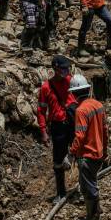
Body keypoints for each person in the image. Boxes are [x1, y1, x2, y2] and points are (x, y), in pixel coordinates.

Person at [65, 74, 107, 220]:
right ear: (87, 89)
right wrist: (106, 148)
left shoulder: (81, 111)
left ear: (73, 94)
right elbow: (105, 129)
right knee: (93, 182)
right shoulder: (98, 105)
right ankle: (97, 209)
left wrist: (71, 153)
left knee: (87, 187)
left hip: (87, 155)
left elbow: (80, 136)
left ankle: (93, 218)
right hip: (99, 152)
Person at [37, 55, 77, 202]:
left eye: (67, 68)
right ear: (55, 68)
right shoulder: (46, 87)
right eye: (63, 68)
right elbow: (41, 111)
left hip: (72, 123)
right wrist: (43, 131)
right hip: (58, 127)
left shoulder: (71, 81)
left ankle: (82, 188)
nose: (66, 71)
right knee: (58, 161)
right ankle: (61, 192)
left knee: (79, 154)